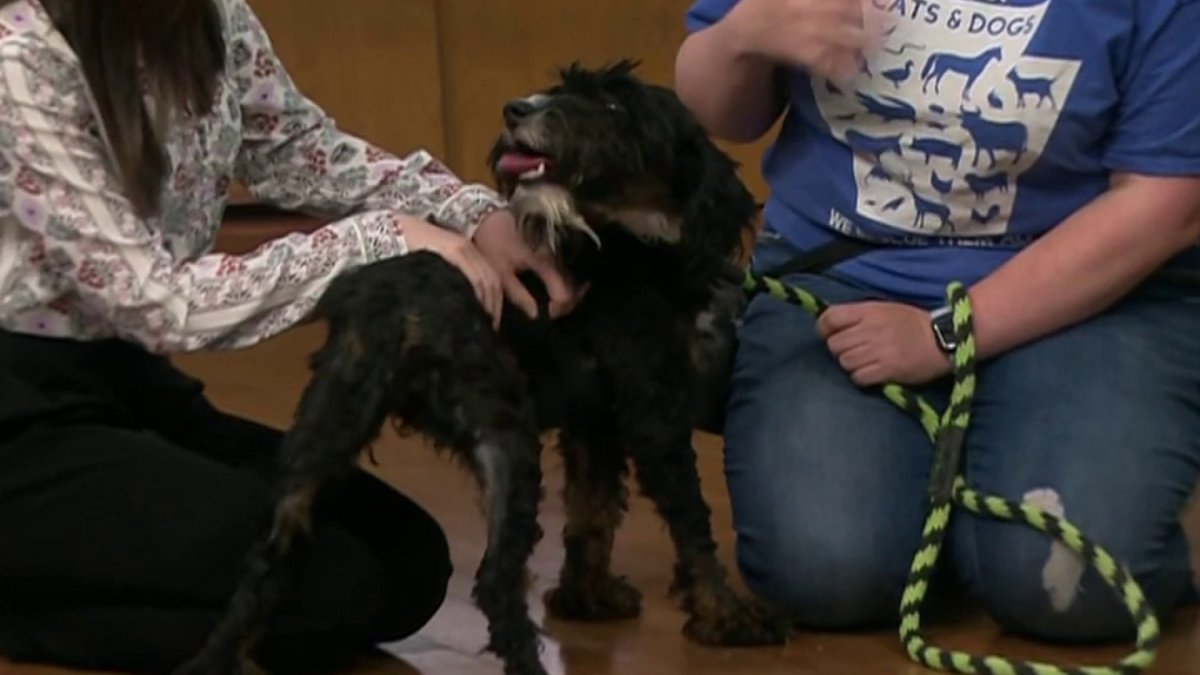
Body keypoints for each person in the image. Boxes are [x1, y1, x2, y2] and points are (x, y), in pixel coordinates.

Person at [0, 0, 577, 672]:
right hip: (20, 408)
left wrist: (475, 213)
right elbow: (156, 302)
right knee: (327, 589)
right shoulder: (21, 57)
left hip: (127, 380)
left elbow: (301, 152)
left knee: (407, 560)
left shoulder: (215, 18)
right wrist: (376, 240)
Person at [676, 0, 1200, 645]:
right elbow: (715, 115)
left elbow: (1167, 204)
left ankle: (1002, 499)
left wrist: (946, 335)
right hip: (846, 273)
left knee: (1075, 589)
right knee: (824, 575)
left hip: (1089, 294)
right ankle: (944, 502)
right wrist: (744, 35)